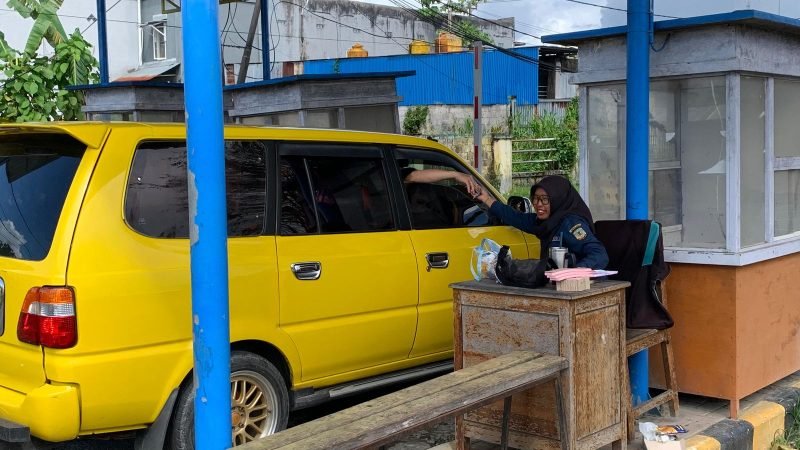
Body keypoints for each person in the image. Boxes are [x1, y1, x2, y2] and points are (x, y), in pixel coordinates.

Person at [475, 175, 609, 269]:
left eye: (545, 199)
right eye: (535, 198)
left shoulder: (570, 224)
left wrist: (575, 271)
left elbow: (599, 254)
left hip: (581, 289)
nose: (538, 204)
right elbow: (515, 217)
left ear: (558, 200)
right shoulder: (544, 223)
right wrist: (487, 199)